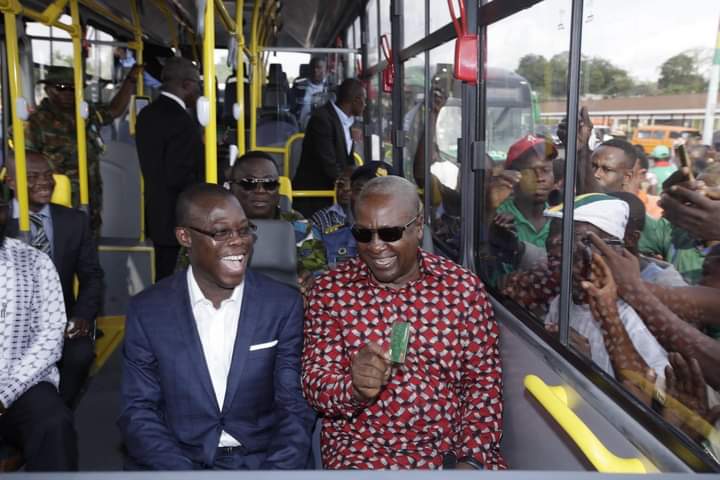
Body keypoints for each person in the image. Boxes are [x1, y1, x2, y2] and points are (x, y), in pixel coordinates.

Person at [302, 176, 505, 470]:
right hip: (363, 449)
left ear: (418, 226)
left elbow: (483, 385)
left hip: (449, 447)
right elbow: (314, 384)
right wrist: (353, 388)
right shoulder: (331, 291)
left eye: (390, 233)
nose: (375, 247)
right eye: (363, 234)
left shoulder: (462, 290)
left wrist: (471, 460)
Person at [119, 183, 314, 470]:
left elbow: (294, 407)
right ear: (185, 236)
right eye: (221, 232)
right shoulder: (148, 311)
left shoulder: (282, 304)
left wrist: (273, 475)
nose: (239, 242)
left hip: (264, 461)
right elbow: (138, 411)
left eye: (244, 230)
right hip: (178, 461)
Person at [4, 151, 104, 407]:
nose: (44, 182)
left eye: (48, 175)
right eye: (32, 176)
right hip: (8, 328)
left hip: (63, 322)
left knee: (80, 354)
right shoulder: (3, 223)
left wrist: (82, 316)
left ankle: (59, 408)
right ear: (12, 183)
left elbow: (92, 276)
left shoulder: (73, 221)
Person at [543, 193, 669, 383]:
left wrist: (588, 361)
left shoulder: (630, 320)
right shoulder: (562, 301)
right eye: (553, 239)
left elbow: (658, 399)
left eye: (567, 241)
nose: (554, 250)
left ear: (607, 250)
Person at [0, 183, 78, 471]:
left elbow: (49, 337)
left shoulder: (34, 262)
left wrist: (4, 394)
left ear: (5, 212)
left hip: (21, 383)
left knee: (54, 423)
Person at [25, 64, 142, 236]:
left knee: (88, 253)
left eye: (73, 88)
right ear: (48, 89)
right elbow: (27, 166)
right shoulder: (36, 123)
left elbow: (114, 110)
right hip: (58, 205)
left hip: (91, 202)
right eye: (61, 87)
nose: (68, 93)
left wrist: (130, 80)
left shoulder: (85, 114)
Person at [135, 57, 204, 281]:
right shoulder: (182, 122)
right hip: (179, 215)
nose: (200, 90)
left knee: (162, 275)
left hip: (156, 212)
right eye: (198, 84)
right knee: (178, 279)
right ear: (186, 85)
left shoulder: (146, 114)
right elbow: (179, 175)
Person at [226, 151, 326, 280]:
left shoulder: (299, 226)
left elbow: (316, 270)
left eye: (269, 184)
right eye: (249, 183)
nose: (260, 190)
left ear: (278, 190)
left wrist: (307, 278)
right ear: (231, 187)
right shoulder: (216, 227)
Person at [293, 78, 366, 217]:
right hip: (315, 197)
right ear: (356, 100)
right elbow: (328, 164)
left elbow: (347, 162)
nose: (365, 105)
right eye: (364, 100)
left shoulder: (346, 122)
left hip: (333, 195)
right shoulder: (321, 119)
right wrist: (349, 185)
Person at [491, 135, 557, 272]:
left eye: (546, 170)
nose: (540, 178)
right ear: (512, 176)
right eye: (531, 172)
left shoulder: (560, 218)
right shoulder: (495, 214)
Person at [311, 161, 393, 268]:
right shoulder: (332, 238)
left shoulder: (409, 236)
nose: (371, 198)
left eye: (381, 192)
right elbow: (316, 274)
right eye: (360, 190)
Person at [291, 56, 330, 128]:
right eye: (313, 67)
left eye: (319, 67)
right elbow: (291, 109)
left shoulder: (330, 89)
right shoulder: (299, 86)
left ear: (326, 71)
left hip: (323, 129)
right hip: (299, 130)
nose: (315, 70)